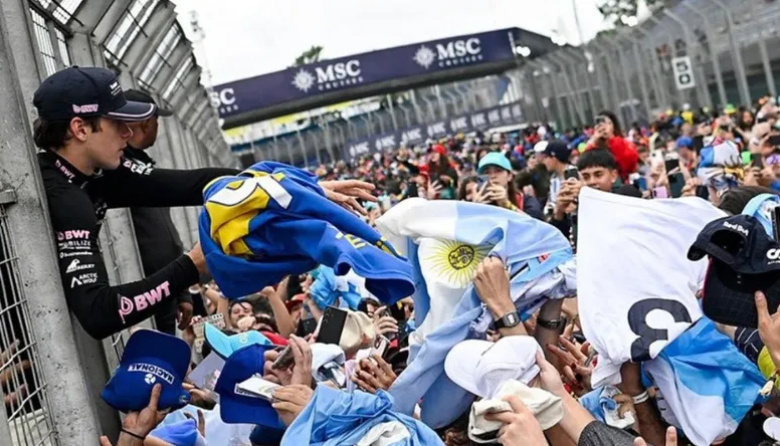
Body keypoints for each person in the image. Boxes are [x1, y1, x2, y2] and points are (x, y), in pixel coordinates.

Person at [122, 89, 195, 335]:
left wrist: (182, 290)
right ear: (146, 122)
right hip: (143, 292)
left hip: (165, 284)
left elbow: (167, 234)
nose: (157, 127)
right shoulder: (118, 170)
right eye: (156, 120)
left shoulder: (145, 168)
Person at [469, 152, 543, 219]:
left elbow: (537, 227)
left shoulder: (525, 200)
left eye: (498, 171)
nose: (493, 176)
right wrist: (476, 208)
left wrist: (507, 205)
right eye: (487, 172)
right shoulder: (476, 202)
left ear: (509, 176)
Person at [585, 111, 639, 181]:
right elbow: (585, 164)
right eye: (600, 124)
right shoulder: (592, 144)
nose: (604, 127)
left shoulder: (623, 142)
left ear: (614, 125)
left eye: (608, 123)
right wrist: (594, 142)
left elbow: (628, 166)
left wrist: (611, 139)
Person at [540, 139, 573, 218]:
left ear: (554, 158)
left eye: (546, 157)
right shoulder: (554, 179)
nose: (544, 162)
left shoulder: (574, 175)